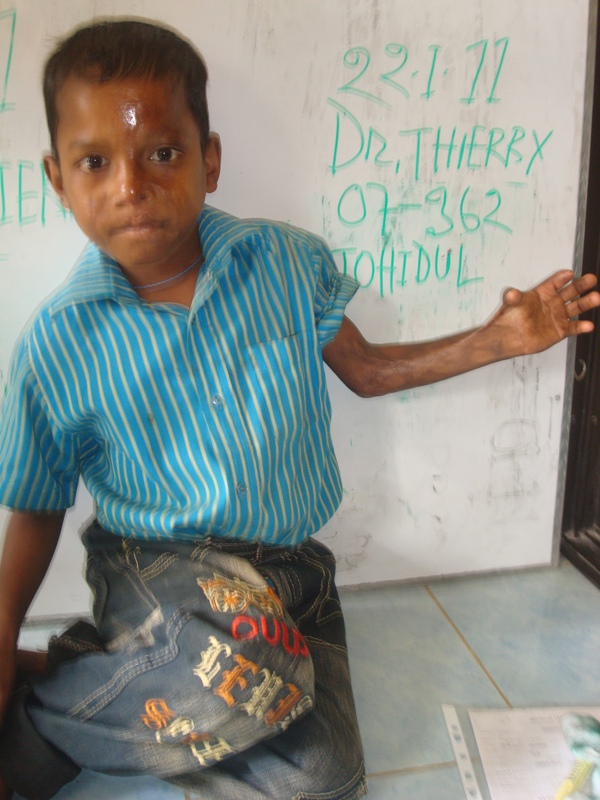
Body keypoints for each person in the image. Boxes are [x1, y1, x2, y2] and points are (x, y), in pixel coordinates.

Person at [0, 18, 598, 800]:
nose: (131, 185)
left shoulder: (284, 261)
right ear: (58, 179)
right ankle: (39, 729)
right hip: (159, 569)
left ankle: (106, 675)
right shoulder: (58, 342)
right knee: (246, 671)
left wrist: (498, 339)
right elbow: (37, 505)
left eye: (164, 153)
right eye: (95, 162)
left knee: (323, 778)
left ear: (210, 161)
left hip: (291, 575)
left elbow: (368, 371)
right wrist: (2, 631)